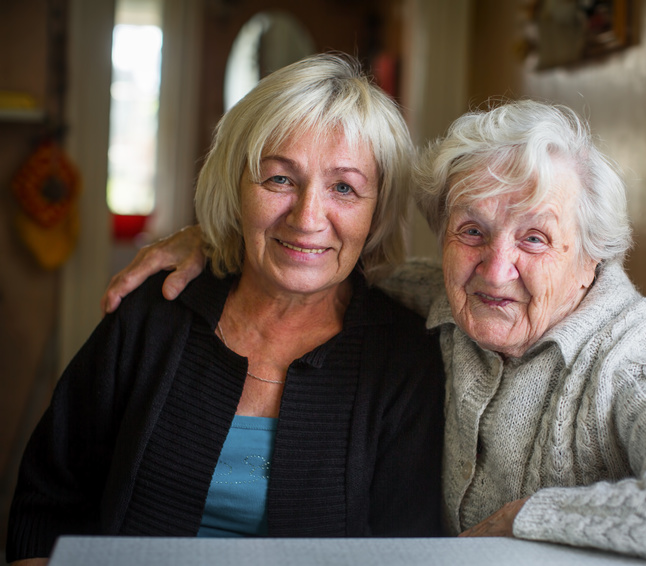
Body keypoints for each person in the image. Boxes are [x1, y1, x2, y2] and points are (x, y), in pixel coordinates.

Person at [100, 100, 646, 565]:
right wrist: (210, 241)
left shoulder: (631, 353)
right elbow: (316, 261)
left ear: (591, 255)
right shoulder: (433, 300)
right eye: (471, 231)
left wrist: (525, 518)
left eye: (536, 237)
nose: (496, 267)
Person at [6, 53, 445, 565]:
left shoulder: (405, 361)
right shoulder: (152, 315)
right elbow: (46, 505)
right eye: (279, 179)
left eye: (344, 188)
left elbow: (407, 551)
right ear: (237, 186)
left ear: (378, 210)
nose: (307, 218)